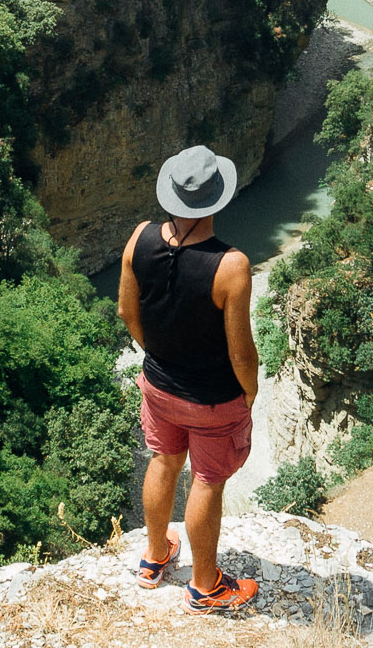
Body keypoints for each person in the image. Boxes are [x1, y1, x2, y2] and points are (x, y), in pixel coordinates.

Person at [117, 144, 261, 614]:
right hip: (213, 399)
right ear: (217, 199)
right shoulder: (231, 266)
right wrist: (250, 392)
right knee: (206, 482)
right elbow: (241, 350)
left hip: (158, 385)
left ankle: (155, 555)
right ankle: (205, 587)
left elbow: (127, 312)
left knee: (163, 461)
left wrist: (161, 354)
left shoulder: (140, 238)